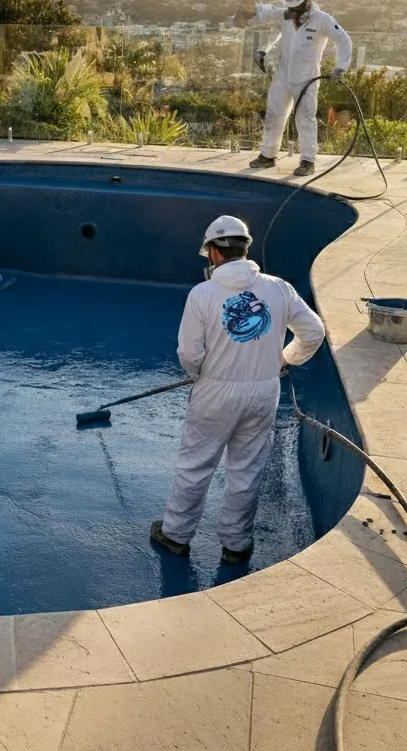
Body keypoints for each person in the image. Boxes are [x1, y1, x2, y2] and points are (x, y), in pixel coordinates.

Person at [151, 215, 325, 563]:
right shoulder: (279, 288)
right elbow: (314, 331)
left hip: (215, 393)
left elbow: (189, 353)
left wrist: (203, 373)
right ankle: (236, 544)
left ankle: (176, 535)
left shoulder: (203, 294)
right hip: (264, 393)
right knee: (247, 469)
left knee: (196, 465)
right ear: (246, 248)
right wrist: (284, 360)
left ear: (214, 252)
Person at [237, 0, 352, 178]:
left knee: (305, 118)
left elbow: (343, 39)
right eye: (289, 7)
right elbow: (268, 16)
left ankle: (308, 160)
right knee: (274, 114)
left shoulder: (322, 20)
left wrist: (341, 66)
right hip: (283, 75)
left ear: (307, 1)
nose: (292, 11)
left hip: (307, 78)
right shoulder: (287, 15)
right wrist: (263, 48)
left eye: (296, 7)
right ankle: (267, 155)